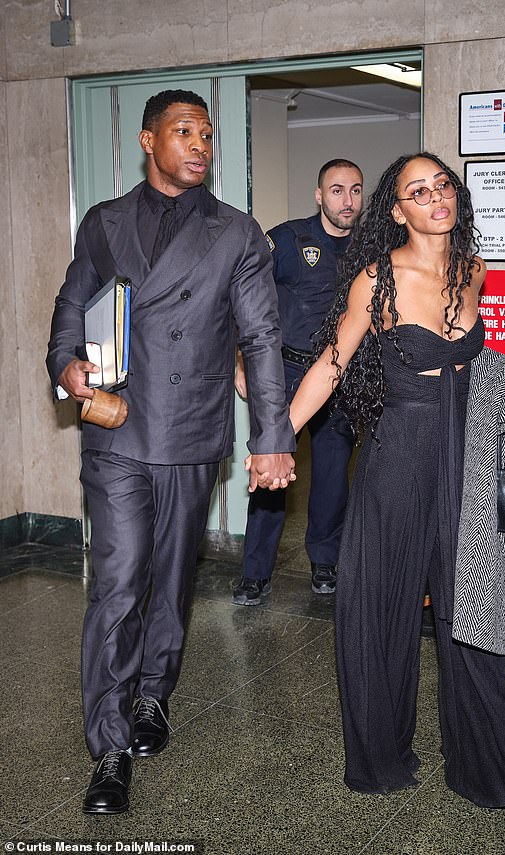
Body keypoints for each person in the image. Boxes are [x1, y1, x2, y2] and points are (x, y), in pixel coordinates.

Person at [46, 90, 296, 815]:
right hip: (118, 428)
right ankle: (111, 745)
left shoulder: (237, 234)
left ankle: (154, 691)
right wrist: (65, 366)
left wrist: (271, 439)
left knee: (171, 575)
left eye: (207, 134)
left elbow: (261, 340)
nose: (199, 145)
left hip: (191, 432)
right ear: (147, 139)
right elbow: (71, 305)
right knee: (119, 583)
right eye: (184, 131)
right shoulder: (103, 222)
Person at [283, 152, 505, 808]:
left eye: (442, 186)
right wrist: (274, 438)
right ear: (397, 209)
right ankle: (380, 754)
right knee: (382, 606)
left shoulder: (473, 269)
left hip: (463, 462)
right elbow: (331, 363)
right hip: (397, 463)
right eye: (417, 190)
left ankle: (487, 763)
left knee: (471, 608)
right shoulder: (379, 279)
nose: (435, 197)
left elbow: (472, 354)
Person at [232, 160, 363, 606]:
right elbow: (244, 299)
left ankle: (324, 560)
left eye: (355, 190)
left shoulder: (370, 248)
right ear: (319, 195)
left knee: (331, 476)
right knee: (271, 470)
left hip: (340, 379)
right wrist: (241, 361)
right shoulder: (289, 240)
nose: (347, 200)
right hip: (285, 372)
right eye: (337, 190)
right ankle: (255, 573)